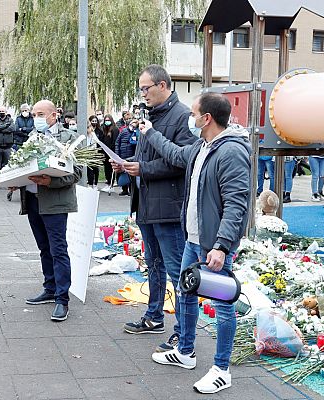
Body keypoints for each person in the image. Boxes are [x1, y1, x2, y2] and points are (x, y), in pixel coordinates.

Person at [131, 92, 250, 394]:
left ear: (206, 118)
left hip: (213, 245)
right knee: (185, 293)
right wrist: (149, 132)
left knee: (223, 306)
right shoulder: (201, 146)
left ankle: (222, 369)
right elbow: (173, 154)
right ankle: (185, 352)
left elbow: (237, 204)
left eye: (194, 113)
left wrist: (222, 246)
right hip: (193, 240)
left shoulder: (231, 152)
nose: (190, 118)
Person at [119, 65, 196, 356]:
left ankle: (182, 335)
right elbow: (148, 154)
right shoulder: (149, 117)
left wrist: (144, 169)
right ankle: (153, 316)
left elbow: (182, 160)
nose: (143, 94)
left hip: (168, 207)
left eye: (146, 88)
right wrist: (127, 163)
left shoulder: (182, 117)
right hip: (147, 204)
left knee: (178, 272)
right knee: (152, 264)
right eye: (141, 89)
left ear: (163, 85)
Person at [20, 100, 83, 322]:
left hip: (54, 202)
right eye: (34, 114)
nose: (36, 118)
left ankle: (62, 299)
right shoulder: (32, 137)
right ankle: (49, 287)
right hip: (32, 200)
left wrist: (49, 182)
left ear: (54, 115)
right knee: (43, 247)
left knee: (58, 249)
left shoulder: (69, 139)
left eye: (40, 114)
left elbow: (76, 173)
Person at [114, 118, 139, 196]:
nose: (132, 127)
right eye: (131, 125)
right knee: (122, 172)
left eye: (134, 126)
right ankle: (124, 189)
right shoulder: (124, 131)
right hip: (122, 155)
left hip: (132, 155)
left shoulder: (137, 133)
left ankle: (131, 190)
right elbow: (117, 142)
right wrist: (117, 154)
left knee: (131, 173)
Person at [0, 106, 15, 172]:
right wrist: (5, 126)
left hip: (8, 147)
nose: (1, 113)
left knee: (9, 166)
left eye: (3, 112)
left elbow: (13, 128)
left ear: (6, 112)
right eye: (0, 112)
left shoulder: (10, 120)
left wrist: (0, 130)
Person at [100, 114, 118, 191]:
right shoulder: (104, 129)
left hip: (111, 152)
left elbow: (115, 141)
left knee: (111, 168)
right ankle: (108, 182)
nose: (107, 122)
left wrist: (111, 151)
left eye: (108, 120)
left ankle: (111, 184)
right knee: (106, 168)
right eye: (106, 120)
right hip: (105, 152)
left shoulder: (115, 129)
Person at [85, 120, 99, 188]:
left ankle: (95, 183)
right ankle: (90, 183)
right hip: (86, 154)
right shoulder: (84, 135)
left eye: (89, 127)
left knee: (95, 169)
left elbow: (96, 143)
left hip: (93, 153)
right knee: (89, 170)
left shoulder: (93, 134)